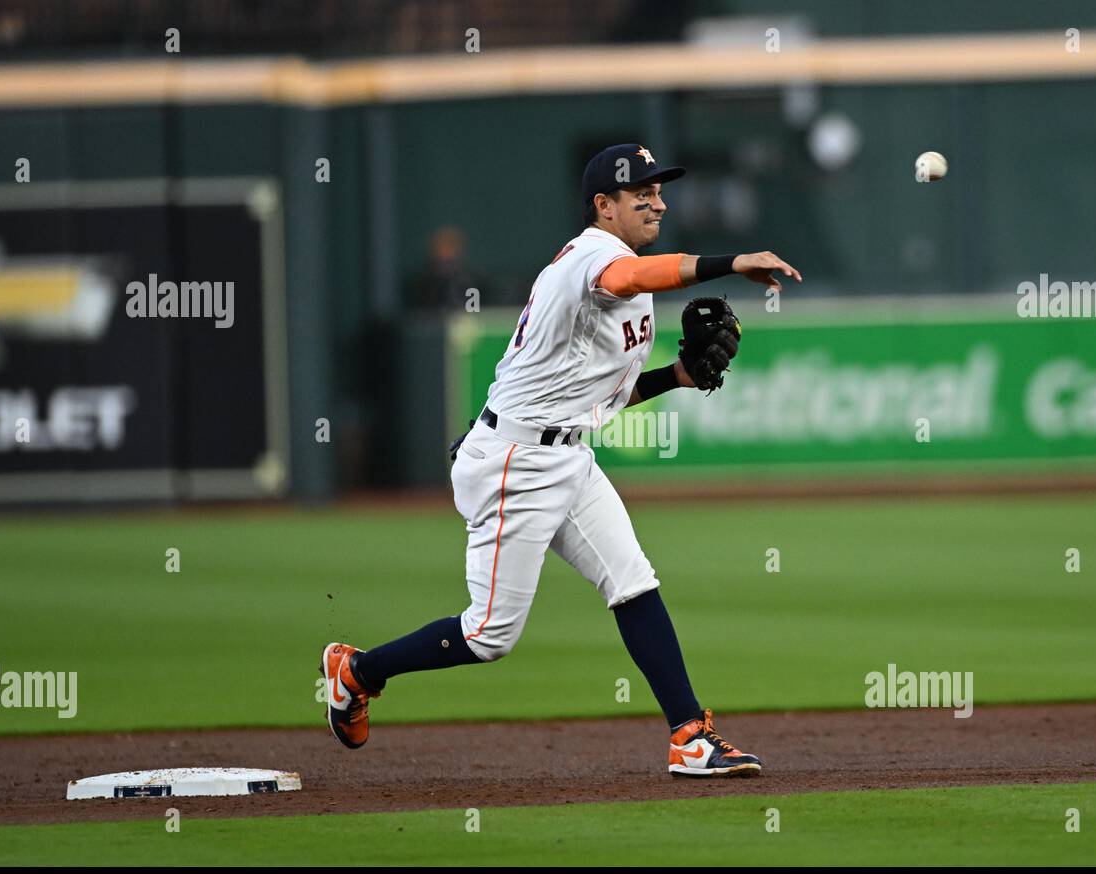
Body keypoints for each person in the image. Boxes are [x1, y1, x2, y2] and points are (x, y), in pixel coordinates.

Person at [322, 143, 801, 776]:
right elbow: (632, 278)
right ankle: (356, 671)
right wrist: (731, 261)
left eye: (660, 190)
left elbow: (598, 396)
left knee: (632, 580)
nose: (658, 201)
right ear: (604, 206)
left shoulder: (623, 266)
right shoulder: (594, 257)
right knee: (490, 635)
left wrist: (678, 376)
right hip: (515, 460)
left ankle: (689, 735)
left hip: (566, 452)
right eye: (642, 194)